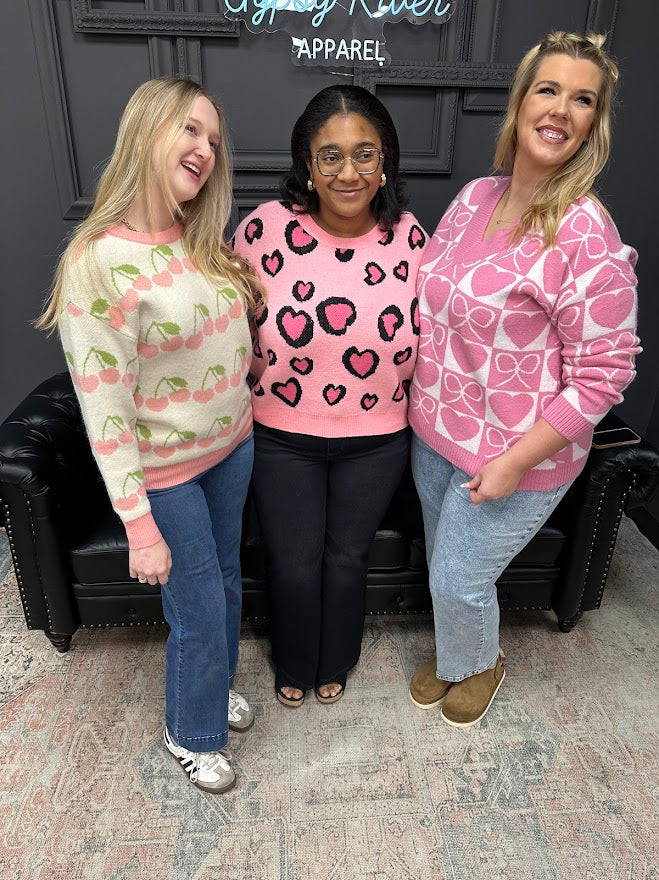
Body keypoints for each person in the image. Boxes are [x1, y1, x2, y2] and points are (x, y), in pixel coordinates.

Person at [408, 31, 641, 727]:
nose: (561, 109)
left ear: (593, 124)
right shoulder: (475, 197)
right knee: (443, 570)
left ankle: (480, 663)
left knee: (461, 578)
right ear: (520, 104)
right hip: (436, 433)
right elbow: (432, 303)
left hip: (519, 453)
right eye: (548, 90)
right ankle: (460, 653)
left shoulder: (585, 232)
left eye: (582, 100)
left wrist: (513, 461)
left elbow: (603, 377)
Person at [38, 78, 264, 792]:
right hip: (167, 474)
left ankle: (211, 688)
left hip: (233, 448)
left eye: (213, 140)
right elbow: (104, 408)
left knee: (225, 585)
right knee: (197, 607)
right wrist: (138, 526)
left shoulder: (200, 240)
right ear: (144, 131)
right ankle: (190, 732)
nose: (205, 149)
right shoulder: (96, 262)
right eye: (189, 129)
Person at [232, 85, 427, 707]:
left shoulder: (410, 238)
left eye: (365, 154)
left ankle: (337, 657)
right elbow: (227, 328)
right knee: (292, 562)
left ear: (385, 161)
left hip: (378, 439)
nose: (349, 172)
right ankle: (293, 660)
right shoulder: (263, 231)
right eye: (331, 156)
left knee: (347, 558)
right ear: (307, 165)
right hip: (280, 434)